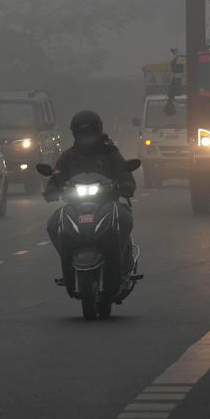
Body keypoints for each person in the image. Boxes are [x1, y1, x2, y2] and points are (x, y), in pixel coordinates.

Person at [44, 110, 137, 295]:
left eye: (89, 134)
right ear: (75, 135)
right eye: (82, 134)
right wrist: (52, 189)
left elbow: (125, 174)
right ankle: (68, 261)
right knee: (53, 223)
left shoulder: (111, 153)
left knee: (125, 218)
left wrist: (125, 185)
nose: (86, 138)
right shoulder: (68, 156)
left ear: (98, 132)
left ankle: (124, 264)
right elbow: (56, 176)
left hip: (107, 204)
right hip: (75, 206)